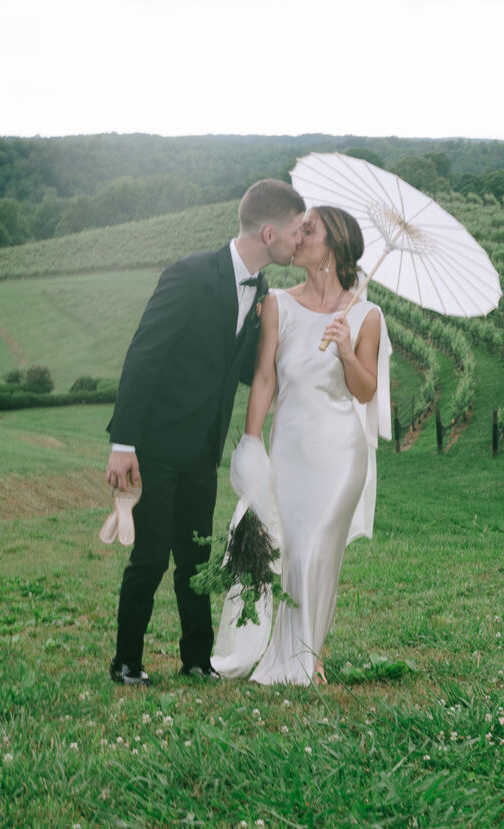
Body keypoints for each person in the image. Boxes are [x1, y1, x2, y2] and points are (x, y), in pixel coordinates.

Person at [106, 179, 306, 685]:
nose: (299, 242)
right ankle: (126, 662)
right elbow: (144, 355)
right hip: (155, 446)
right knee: (150, 557)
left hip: (203, 453)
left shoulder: (261, 291)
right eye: (295, 233)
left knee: (196, 559)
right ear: (268, 233)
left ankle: (196, 661)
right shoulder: (191, 274)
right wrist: (124, 443)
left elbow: (238, 369)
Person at [212, 206, 392, 685]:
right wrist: (251, 443)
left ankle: (306, 658)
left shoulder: (367, 315)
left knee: (317, 553)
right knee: (287, 553)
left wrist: (347, 351)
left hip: (339, 455)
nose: (298, 237)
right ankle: (282, 654)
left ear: (331, 245)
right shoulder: (278, 305)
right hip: (289, 449)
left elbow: (366, 390)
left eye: (308, 230)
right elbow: (265, 377)